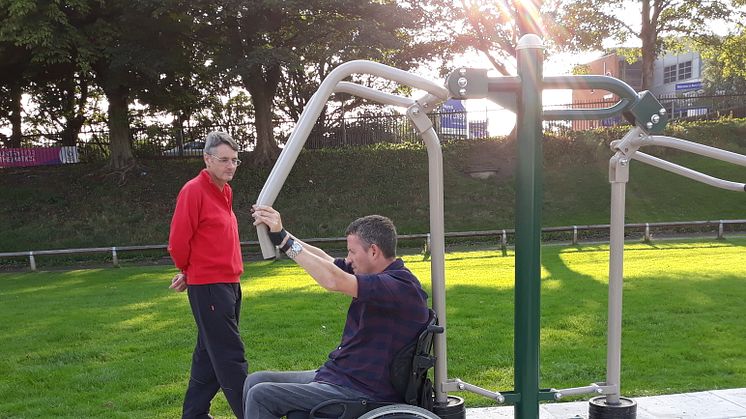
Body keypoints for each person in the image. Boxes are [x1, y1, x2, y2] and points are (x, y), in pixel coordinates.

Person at [244, 205, 430, 418]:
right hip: (341, 376)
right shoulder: (374, 275)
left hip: (361, 390)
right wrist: (281, 235)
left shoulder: (399, 286)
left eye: (352, 251)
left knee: (261, 395)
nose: (348, 259)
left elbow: (332, 279)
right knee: (255, 381)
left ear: (374, 251)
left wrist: (286, 243)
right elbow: (325, 260)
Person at [168, 131, 248, 419]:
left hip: (230, 284)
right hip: (210, 288)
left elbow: (212, 241)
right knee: (230, 356)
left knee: (207, 355)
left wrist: (191, 271)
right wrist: (189, 271)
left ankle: (194, 414)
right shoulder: (193, 190)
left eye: (235, 160)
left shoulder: (225, 191)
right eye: (224, 160)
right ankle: (251, 413)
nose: (230, 166)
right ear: (207, 159)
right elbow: (178, 241)